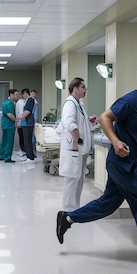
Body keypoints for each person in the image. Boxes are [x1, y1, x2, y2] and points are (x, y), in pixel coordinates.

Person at [56, 62, 137, 271]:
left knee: (108, 203)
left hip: (127, 162)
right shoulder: (130, 100)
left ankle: (69, 218)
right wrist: (116, 142)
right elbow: (105, 117)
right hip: (121, 163)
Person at [59, 78, 92, 211]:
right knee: (72, 179)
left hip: (80, 148)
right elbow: (69, 123)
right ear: (75, 89)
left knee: (79, 179)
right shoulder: (70, 104)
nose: (85, 90)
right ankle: (68, 209)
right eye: (83, 87)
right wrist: (77, 140)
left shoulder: (79, 103)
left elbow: (79, 123)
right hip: (74, 148)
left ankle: (75, 208)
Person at [0, 89, 18, 163]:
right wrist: (16, 120)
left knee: (4, 141)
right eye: (16, 94)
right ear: (11, 94)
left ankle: (2, 155)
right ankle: (7, 157)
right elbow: (10, 114)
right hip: (9, 125)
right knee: (9, 141)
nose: (17, 96)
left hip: (4, 124)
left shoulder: (5, 103)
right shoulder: (10, 104)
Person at [18, 88, 36, 161]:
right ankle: (29, 156)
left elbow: (27, 111)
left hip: (28, 123)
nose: (23, 96)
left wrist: (21, 118)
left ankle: (30, 157)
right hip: (25, 123)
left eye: (23, 94)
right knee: (26, 140)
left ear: (26, 93)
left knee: (27, 141)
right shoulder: (26, 101)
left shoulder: (30, 100)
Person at [15, 90, 26, 158]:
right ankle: (23, 150)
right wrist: (18, 121)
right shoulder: (19, 102)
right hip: (20, 122)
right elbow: (17, 112)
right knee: (21, 137)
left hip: (25, 123)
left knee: (25, 138)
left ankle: (24, 150)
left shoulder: (26, 101)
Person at [30, 89, 39, 158]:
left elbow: (36, 113)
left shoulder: (35, 102)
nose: (33, 95)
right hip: (30, 121)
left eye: (34, 94)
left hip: (33, 122)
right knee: (31, 138)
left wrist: (35, 122)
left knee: (33, 138)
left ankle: (33, 153)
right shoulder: (30, 101)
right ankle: (32, 153)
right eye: (32, 93)